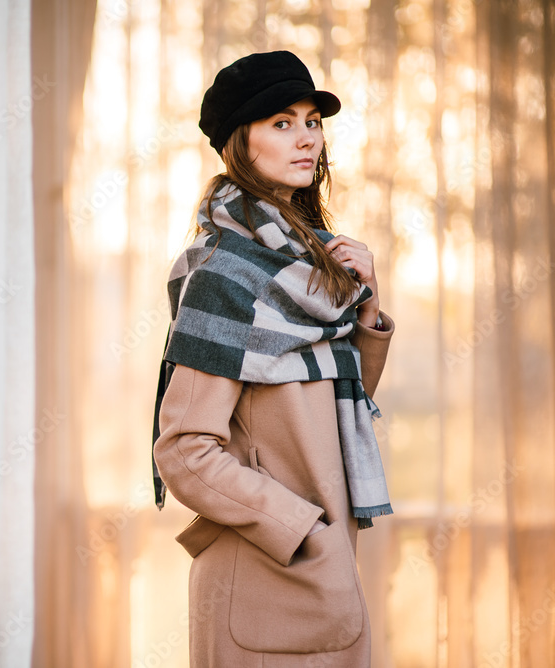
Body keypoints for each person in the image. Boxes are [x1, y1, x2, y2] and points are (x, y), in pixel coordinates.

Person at [151, 51, 394, 666]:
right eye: (282, 123)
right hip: (266, 578)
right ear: (240, 142)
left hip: (323, 572)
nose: (307, 138)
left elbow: (340, 406)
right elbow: (185, 449)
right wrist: (302, 528)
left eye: (312, 121)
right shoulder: (226, 277)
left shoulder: (310, 270)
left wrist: (365, 311)